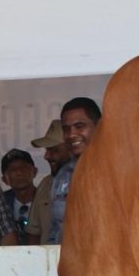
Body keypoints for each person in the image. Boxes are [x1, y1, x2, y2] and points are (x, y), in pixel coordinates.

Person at [48, 97, 101, 244]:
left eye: (79, 126)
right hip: (67, 262)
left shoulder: (119, 171)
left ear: (100, 126)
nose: (71, 134)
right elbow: (55, 228)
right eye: (66, 129)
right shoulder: (62, 176)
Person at [25, 120, 72, 245]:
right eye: (47, 150)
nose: (46, 156)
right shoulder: (45, 184)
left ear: (71, 149)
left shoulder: (93, 183)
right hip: (48, 263)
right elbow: (33, 234)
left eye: (53, 150)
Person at [0, 148, 37, 245]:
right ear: (5, 179)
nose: (19, 172)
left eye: (23, 167)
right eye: (13, 170)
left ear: (35, 171)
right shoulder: (0, 203)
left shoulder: (48, 199)